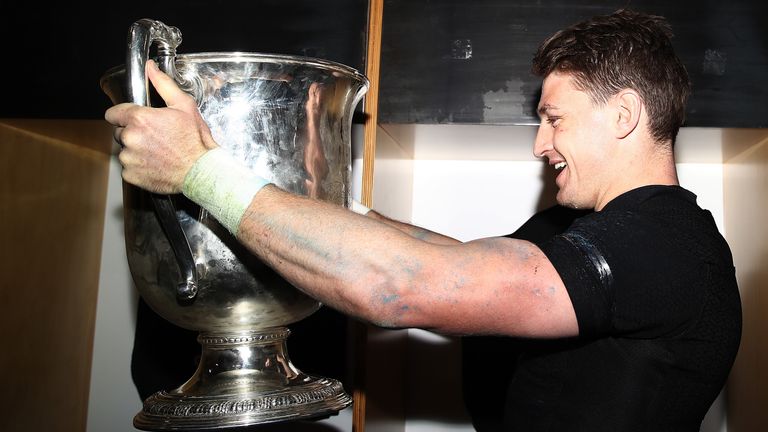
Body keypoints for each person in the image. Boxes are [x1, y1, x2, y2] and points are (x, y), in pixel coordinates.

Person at [105, 8, 742, 431]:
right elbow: (455, 263)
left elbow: (411, 286)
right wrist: (333, 204)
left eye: (555, 118)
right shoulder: (575, 230)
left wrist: (202, 174)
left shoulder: (669, 248)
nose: (540, 145)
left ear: (625, 114)